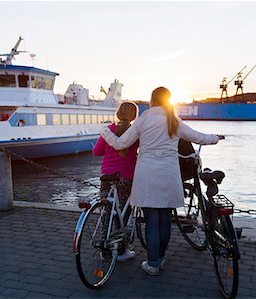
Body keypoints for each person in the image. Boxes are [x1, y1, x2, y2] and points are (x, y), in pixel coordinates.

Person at [100, 87, 224, 275]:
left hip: (147, 174)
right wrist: (215, 138)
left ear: (152, 100)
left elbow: (121, 144)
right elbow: (197, 136)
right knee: (165, 219)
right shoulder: (174, 120)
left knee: (151, 220)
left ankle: (152, 264)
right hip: (168, 174)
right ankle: (159, 259)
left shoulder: (143, 119)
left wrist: (105, 132)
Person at [93, 101, 139, 262]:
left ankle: (104, 250)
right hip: (126, 176)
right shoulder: (135, 132)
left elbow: (96, 151)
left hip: (106, 176)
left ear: (118, 113)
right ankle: (121, 250)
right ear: (134, 116)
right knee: (123, 211)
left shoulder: (109, 130)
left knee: (106, 210)